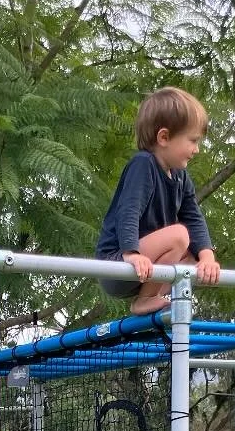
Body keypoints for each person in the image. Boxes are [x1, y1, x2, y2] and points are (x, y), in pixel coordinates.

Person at [95, 86, 221, 314]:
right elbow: (128, 211)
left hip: (145, 266)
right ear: (164, 137)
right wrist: (132, 254)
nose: (197, 149)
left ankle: (155, 297)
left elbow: (194, 218)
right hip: (116, 263)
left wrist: (208, 257)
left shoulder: (181, 177)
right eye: (192, 141)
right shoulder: (143, 164)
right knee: (179, 236)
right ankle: (146, 299)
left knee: (195, 257)